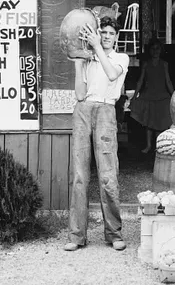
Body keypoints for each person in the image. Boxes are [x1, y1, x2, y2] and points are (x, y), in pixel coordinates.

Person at [65, 16, 130, 252]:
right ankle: (76, 236)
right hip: (84, 110)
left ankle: (114, 234)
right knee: (80, 176)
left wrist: (94, 49)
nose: (106, 36)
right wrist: (78, 62)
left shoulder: (120, 58)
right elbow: (80, 95)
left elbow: (112, 75)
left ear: (117, 37)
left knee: (108, 175)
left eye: (111, 33)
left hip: (105, 109)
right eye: (103, 32)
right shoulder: (89, 57)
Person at [130, 38, 174, 153]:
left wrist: (174, 95)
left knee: (160, 123)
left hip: (162, 96)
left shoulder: (164, 64)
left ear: (161, 50)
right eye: (153, 49)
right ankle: (149, 145)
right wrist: (135, 94)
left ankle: (159, 146)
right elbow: (141, 80)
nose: (155, 51)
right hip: (148, 95)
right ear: (149, 50)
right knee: (149, 123)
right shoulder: (146, 64)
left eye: (157, 49)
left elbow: (168, 81)